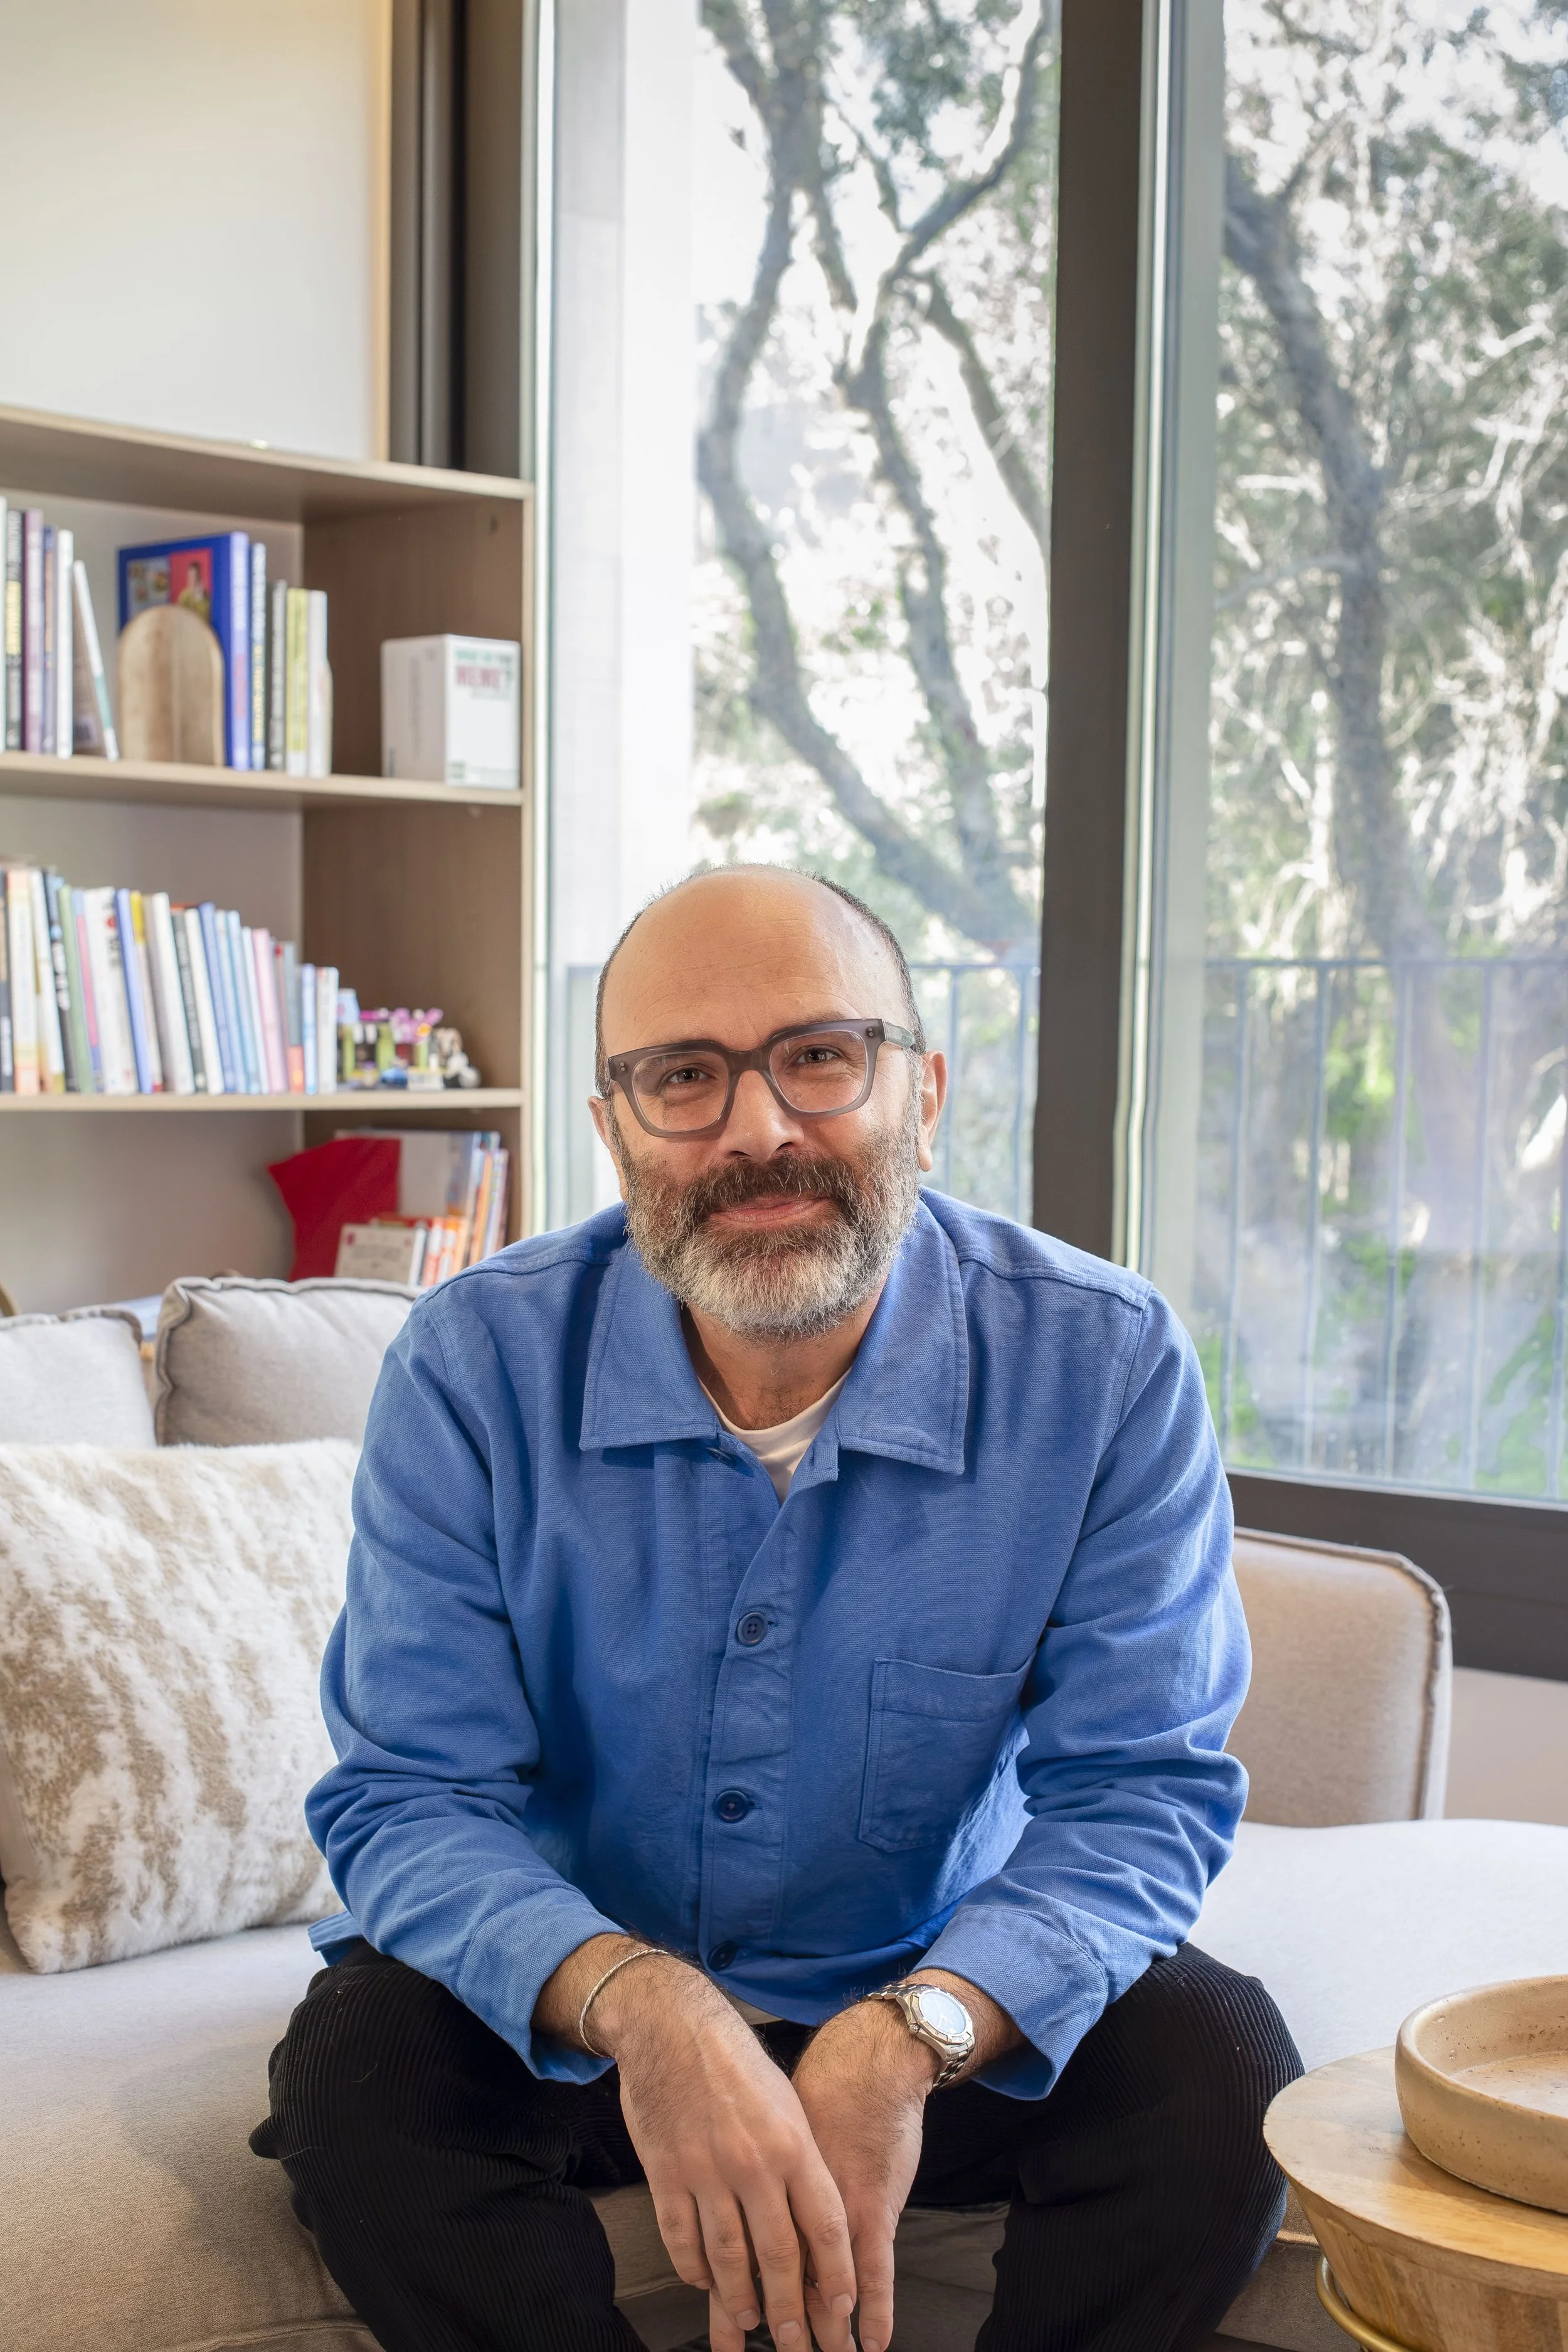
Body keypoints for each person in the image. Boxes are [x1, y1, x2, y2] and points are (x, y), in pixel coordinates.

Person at [252, 865, 1301, 2352]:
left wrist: (911, 2039)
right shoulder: (470, 1369)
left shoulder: (1107, 1365)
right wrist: (645, 2011)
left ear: (920, 1092)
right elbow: (410, 1798)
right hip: (579, 2019)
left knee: (1218, 2068)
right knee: (360, 2072)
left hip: (947, 2008)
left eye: (818, 1057)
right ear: (613, 1125)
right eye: (682, 1077)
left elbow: (1137, 1795)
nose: (757, 1130)